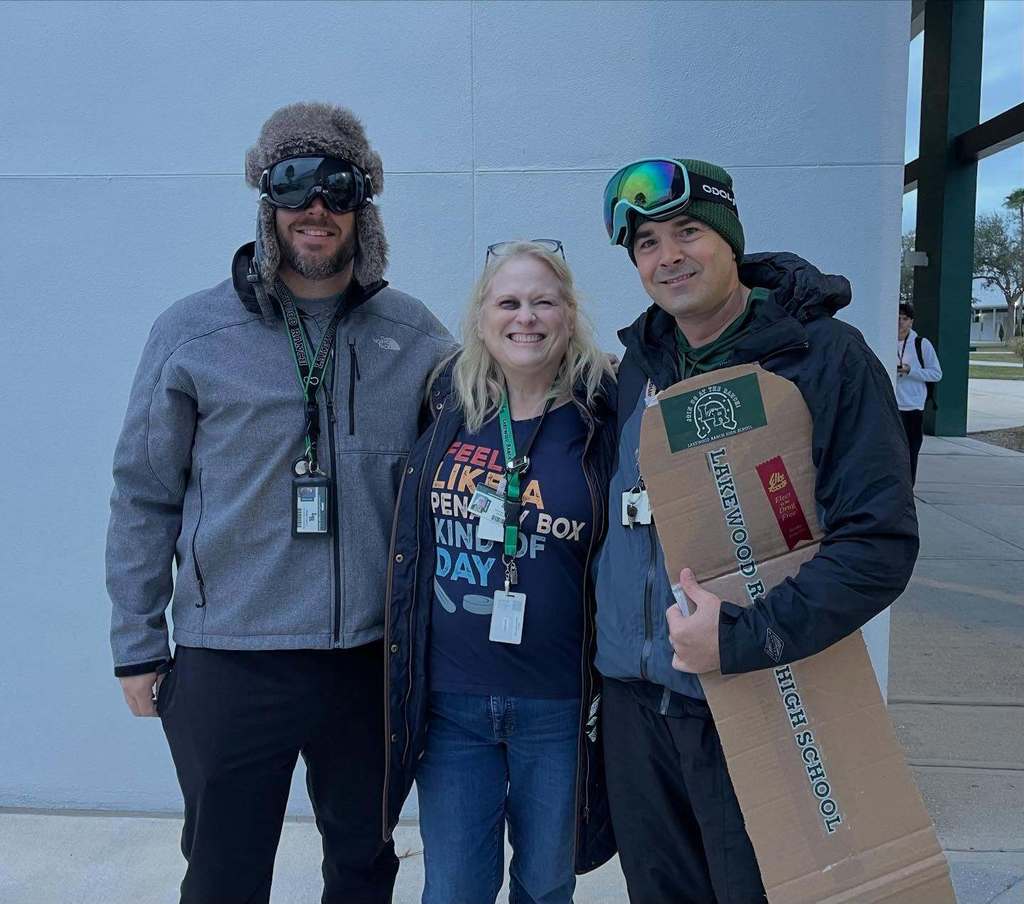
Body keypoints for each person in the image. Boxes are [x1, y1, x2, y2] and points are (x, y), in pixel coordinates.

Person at [106, 102, 455, 904]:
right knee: (225, 872)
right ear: (267, 198)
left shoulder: (415, 334)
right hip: (228, 657)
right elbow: (142, 493)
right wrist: (136, 640)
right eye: (293, 183)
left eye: (338, 186)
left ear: (363, 202)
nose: (316, 209)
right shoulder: (192, 334)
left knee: (365, 866)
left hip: (368, 662)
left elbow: (495, 416)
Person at [594, 157, 920, 903]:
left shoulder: (824, 359)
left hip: (754, 697)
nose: (668, 255)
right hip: (636, 706)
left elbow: (878, 545)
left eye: (687, 232)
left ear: (729, 238)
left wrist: (742, 638)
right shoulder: (641, 363)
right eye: (646, 243)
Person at [382, 241, 617, 904]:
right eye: (509, 302)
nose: (527, 317)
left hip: (559, 703)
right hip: (451, 701)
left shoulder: (603, 413)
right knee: (454, 889)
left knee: (546, 886)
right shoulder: (444, 404)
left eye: (544, 302)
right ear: (482, 318)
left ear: (569, 316)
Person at [896, 301, 942, 484]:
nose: (900, 322)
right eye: (897, 318)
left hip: (913, 407)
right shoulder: (885, 341)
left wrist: (910, 371)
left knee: (911, 451)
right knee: (891, 450)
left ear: (911, 322)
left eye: (905, 319)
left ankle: (908, 488)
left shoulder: (921, 344)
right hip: (891, 405)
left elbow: (936, 374)